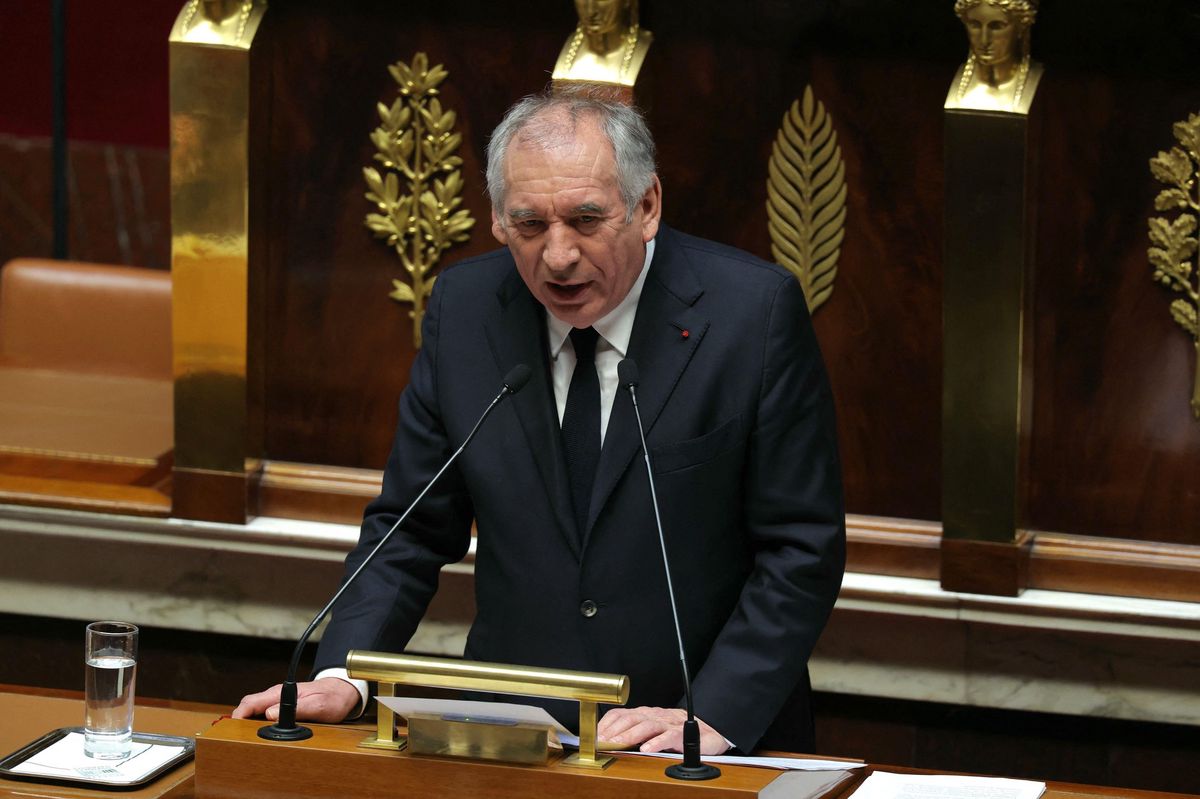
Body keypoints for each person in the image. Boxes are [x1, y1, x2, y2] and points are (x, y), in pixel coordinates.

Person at [234, 90, 845, 755]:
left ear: (646, 207)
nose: (558, 256)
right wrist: (345, 673)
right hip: (511, 740)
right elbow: (407, 531)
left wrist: (720, 711)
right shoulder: (466, 312)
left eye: (586, 219)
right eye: (529, 225)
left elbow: (800, 547)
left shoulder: (752, 316)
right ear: (497, 220)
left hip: (697, 736)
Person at [945, 0, 1043, 114]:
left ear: (1022, 26)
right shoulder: (940, 83)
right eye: (975, 25)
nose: (984, 40)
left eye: (997, 26)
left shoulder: (1046, 90)